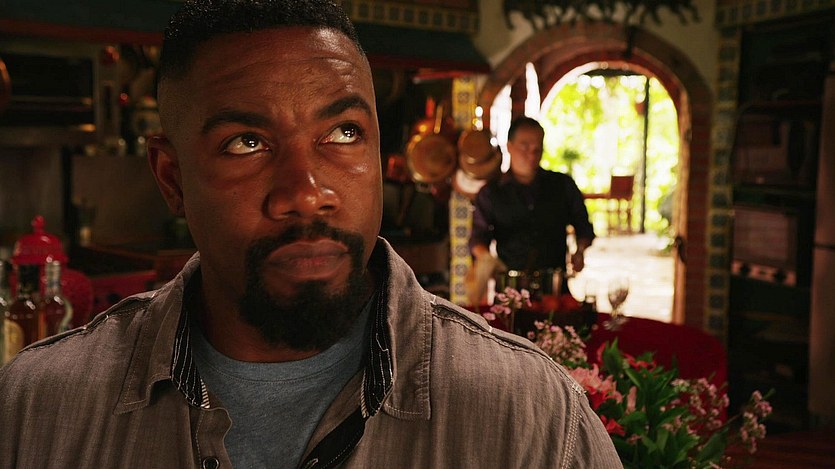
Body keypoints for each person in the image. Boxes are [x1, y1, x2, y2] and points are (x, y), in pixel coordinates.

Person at [0, 1, 622, 467]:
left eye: (344, 134)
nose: (306, 191)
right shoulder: (38, 410)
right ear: (172, 177)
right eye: (246, 143)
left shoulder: (529, 417)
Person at [469, 116, 596, 300]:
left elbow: (584, 226)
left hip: (554, 289)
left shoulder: (562, 185)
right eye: (525, 146)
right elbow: (477, 238)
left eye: (538, 148)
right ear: (509, 146)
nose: (532, 154)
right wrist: (487, 260)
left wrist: (580, 250)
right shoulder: (490, 192)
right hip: (510, 291)